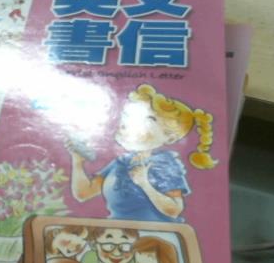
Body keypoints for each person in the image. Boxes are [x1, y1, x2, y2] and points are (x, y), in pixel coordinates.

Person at [67, 84, 216, 223]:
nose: (127, 125)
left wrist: (145, 184)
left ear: (170, 138)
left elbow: (174, 210)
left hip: (156, 235)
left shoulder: (164, 165)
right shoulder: (121, 163)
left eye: (147, 120)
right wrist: (77, 162)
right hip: (119, 234)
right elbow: (84, 193)